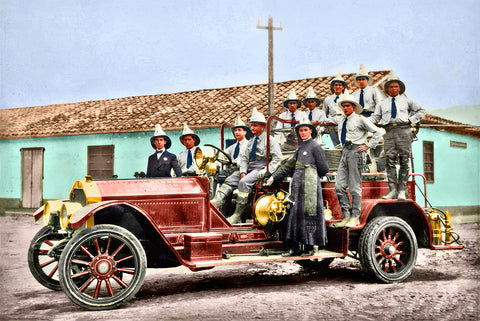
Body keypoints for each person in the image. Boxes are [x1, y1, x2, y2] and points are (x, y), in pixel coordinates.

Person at [265, 120, 329, 256]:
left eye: (306, 130)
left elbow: (324, 168)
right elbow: (289, 165)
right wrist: (274, 177)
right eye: (301, 131)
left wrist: (310, 174)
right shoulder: (300, 147)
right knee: (295, 216)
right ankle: (295, 248)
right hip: (298, 187)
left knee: (309, 214)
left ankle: (310, 248)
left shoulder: (315, 146)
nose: (303, 133)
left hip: (310, 187)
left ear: (311, 131)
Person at [368, 70, 426, 200]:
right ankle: (392, 190)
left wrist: (411, 120)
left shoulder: (407, 101)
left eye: (396, 86)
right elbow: (375, 117)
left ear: (399, 88)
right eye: (391, 86)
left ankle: (402, 191)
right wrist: (363, 122)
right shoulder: (382, 103)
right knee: (390, 161)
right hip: (389, 132)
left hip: (404, 131)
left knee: (404, 161)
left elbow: (421, 110)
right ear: (387, 89)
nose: (393, 89)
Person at [332, 94, 384, 228]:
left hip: (356, 151)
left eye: (348, 106)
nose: (345, 108)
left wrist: (368, 145)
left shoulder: (360, 119)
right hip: (345, 151)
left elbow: (378, 132)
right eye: (343, 106)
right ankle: (346, 216)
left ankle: (355, 216)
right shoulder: (342, 120)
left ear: (354, 107)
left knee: (354, 187)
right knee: (339, 185)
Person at [227, 107, 282, 224]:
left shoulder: (270, 140)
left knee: (244, 182)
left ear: (262, 126)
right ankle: (218, 207)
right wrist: (242, 171)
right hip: (249, 167)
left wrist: (267, 170)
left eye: (255, 125)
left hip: (260, 167)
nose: (252, 127)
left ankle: (237, 215)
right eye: (251, 125)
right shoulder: (251, 141)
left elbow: (277, 158)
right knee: (229, 180)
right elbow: (244, 158)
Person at [210, 114, 251, 213]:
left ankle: (221, 207)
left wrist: (238, 165)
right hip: (230, 169)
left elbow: (247, 161)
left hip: (242, 170)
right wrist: (213, 156)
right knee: (214, 176)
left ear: (245, 132)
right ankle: (216, 204)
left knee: (228, 180)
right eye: (235, 130)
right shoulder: (233, 147)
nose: (237, 132)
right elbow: (223, 155)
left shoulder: (249, 145)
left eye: (239, 130)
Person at [323, 70, 348, 146]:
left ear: (343, 87)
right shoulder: (327, 99)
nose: (338, 87)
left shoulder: (347, 98)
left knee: (345, 145)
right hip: (332, 125)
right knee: (335, 146)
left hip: (344, 124)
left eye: (340, 85)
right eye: (336, 85)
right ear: (333, 87)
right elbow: (323, 114)